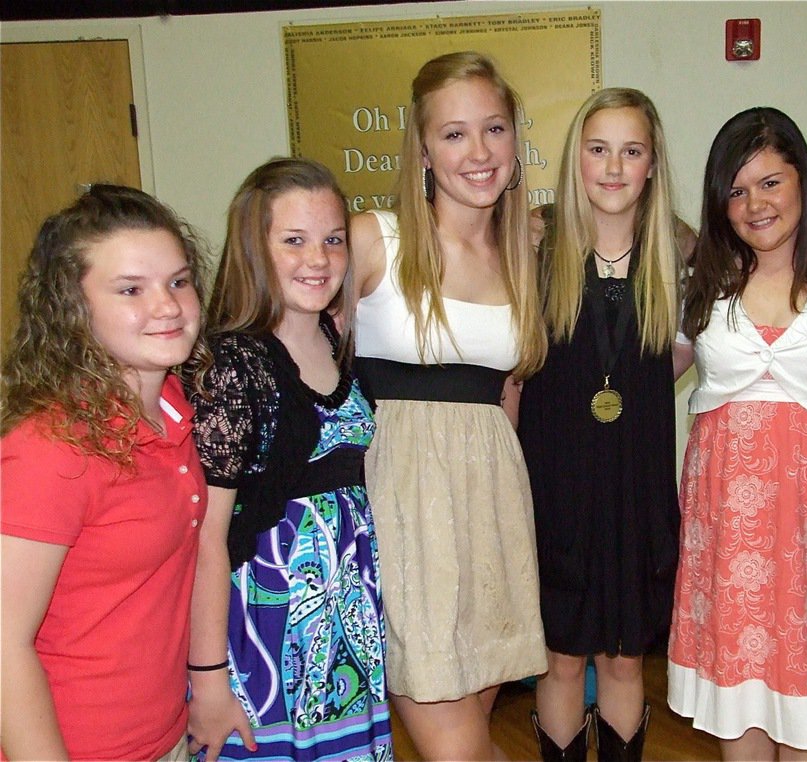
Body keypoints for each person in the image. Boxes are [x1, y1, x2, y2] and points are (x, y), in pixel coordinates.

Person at [350, 51, 548, 761]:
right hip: (398, 507)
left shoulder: (522, 255)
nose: (479, 152)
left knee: (472, 739)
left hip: (490, 510)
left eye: (494, 129)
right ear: (423, 149)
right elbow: (299, 360)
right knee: (456, 748)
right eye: (455, 133)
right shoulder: (374, 239)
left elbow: (509, 395)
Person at [667, 106, 807, 761]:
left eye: (770, 182)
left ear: (802, 180)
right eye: (736, 190)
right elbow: (638, 379)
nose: (755, 204)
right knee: (741, 710)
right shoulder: (703, 288)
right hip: (730, 534)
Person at [186, 157, 392, 761]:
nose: (318, 259)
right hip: (268, 627)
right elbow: (208, 538)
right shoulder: (233, 365)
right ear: (255, 248)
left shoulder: (336, 339)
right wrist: (208, 679)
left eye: (333, 240)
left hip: (347, 622)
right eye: (294, 241)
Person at [1, 185, 208, 761]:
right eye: (130, 290)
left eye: (178, 281)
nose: (167, 306)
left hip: (164, 736)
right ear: (72, 307)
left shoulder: (173, 409)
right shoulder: (50, 448)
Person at [518, 87, 692, 762]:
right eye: (598, 149)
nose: (614, 167)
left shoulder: (679, 263)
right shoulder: (535, 253)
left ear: (652, 164)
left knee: (624, 660)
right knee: (561, 659)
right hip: (556, 493)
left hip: (635, 495)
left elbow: (677, 360)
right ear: (577, 160)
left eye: (631, 151)